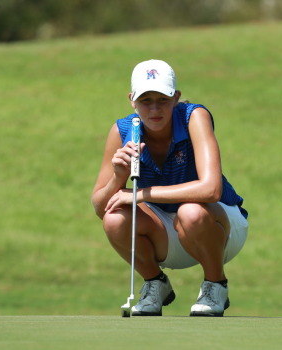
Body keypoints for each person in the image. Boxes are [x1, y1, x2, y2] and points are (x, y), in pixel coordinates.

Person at [90, 59, 248, 317]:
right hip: (165, 232)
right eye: (145, 100)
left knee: (191, 212)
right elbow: (100, 206)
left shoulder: (194, 117)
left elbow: (211, 190)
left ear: (176, 97)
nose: (154, 109)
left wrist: (140, 195)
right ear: (132, 100)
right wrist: (118, 177)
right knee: (114, 219)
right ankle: (155, 283)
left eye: (162, 99)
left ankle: (215, 284)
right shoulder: (123, 131)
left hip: (221, 226)